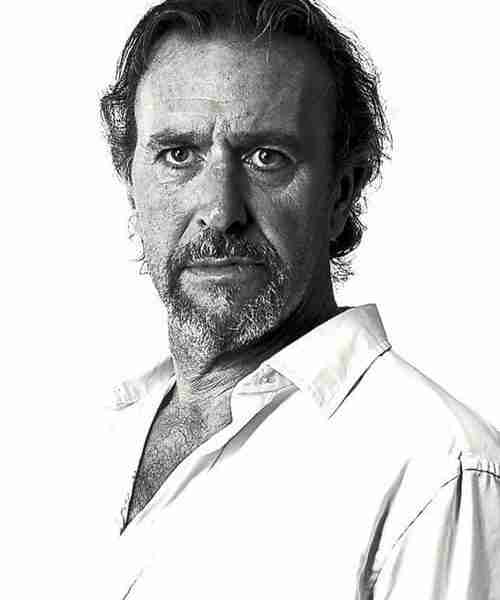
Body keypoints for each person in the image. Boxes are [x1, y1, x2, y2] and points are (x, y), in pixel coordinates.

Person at [100, 0, 500, 597]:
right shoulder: (83, 436)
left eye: (267, 158)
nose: (220, 212)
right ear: (132, 186)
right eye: (179, 155)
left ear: (342, 194)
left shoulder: (437, 474)